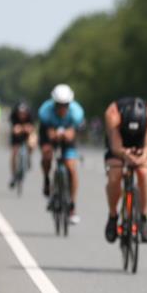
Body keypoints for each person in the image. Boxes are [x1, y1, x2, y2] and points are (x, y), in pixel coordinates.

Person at [104, 97, 147, 243]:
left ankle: (144, 218)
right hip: (119, 142)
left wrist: (143, 156)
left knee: (144, 172)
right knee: (114, 175)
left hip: (141, 142)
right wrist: (125, 154)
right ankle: (112, 216)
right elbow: (116, 147)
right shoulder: (113, 113)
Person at [38, 84, 85, 225]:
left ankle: (72, 206)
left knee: (71, 167)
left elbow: (74, 132)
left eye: (65, 105)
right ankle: (47, 179)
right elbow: (47, 132)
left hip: (69, 135)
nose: (62, 108)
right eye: (59, 105)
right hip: (49, 132)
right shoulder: (45, 111)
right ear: (54, 103)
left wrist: (68, 134)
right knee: (46, 155)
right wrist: (52, 137)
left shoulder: (76, 113)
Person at [8, 101, 35, 188]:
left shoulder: (30, 116)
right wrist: (21, 128)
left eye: (24, 113)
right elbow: (15, 130)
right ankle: (13, 175)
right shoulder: (13, 116)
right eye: (20, 113)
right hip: (16, 136)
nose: (22, 115)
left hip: (27, 135)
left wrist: (25, 129)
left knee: (32, 142)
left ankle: (29, 156)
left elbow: (31, 129)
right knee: (14, 153)